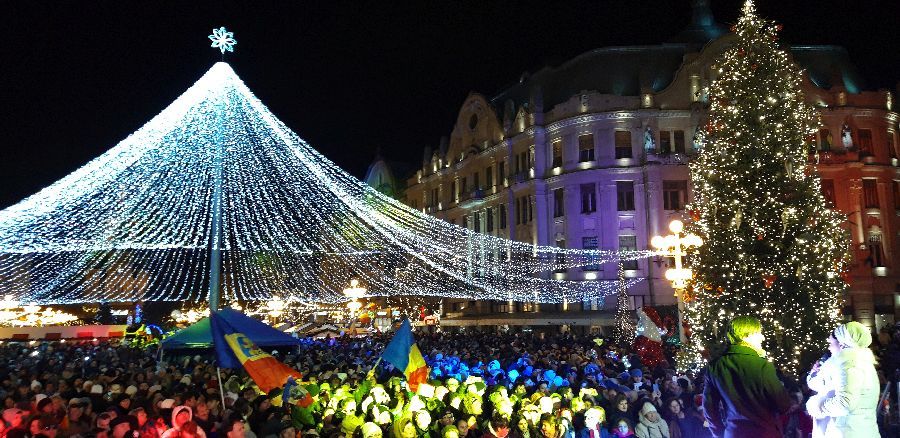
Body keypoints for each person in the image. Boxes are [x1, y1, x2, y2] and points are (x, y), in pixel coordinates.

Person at [703, 316, 791, 438]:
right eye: (759, 333)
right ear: (745, 336)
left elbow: (710, 409)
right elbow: (784, 405)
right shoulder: (762, 366)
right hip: (764, 433)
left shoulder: (715, 367)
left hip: (733, 433)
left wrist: (720, 433)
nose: (762, 337)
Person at [806, 321, 880, 437]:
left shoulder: (850, 364)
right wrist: (814, 374)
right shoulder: (847, 363)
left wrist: (817, 406)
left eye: (831, 342)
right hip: (853, 430)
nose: (829, 347)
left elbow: (845, 403)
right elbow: (823, 384)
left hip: (848, 432)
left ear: (842, 343)